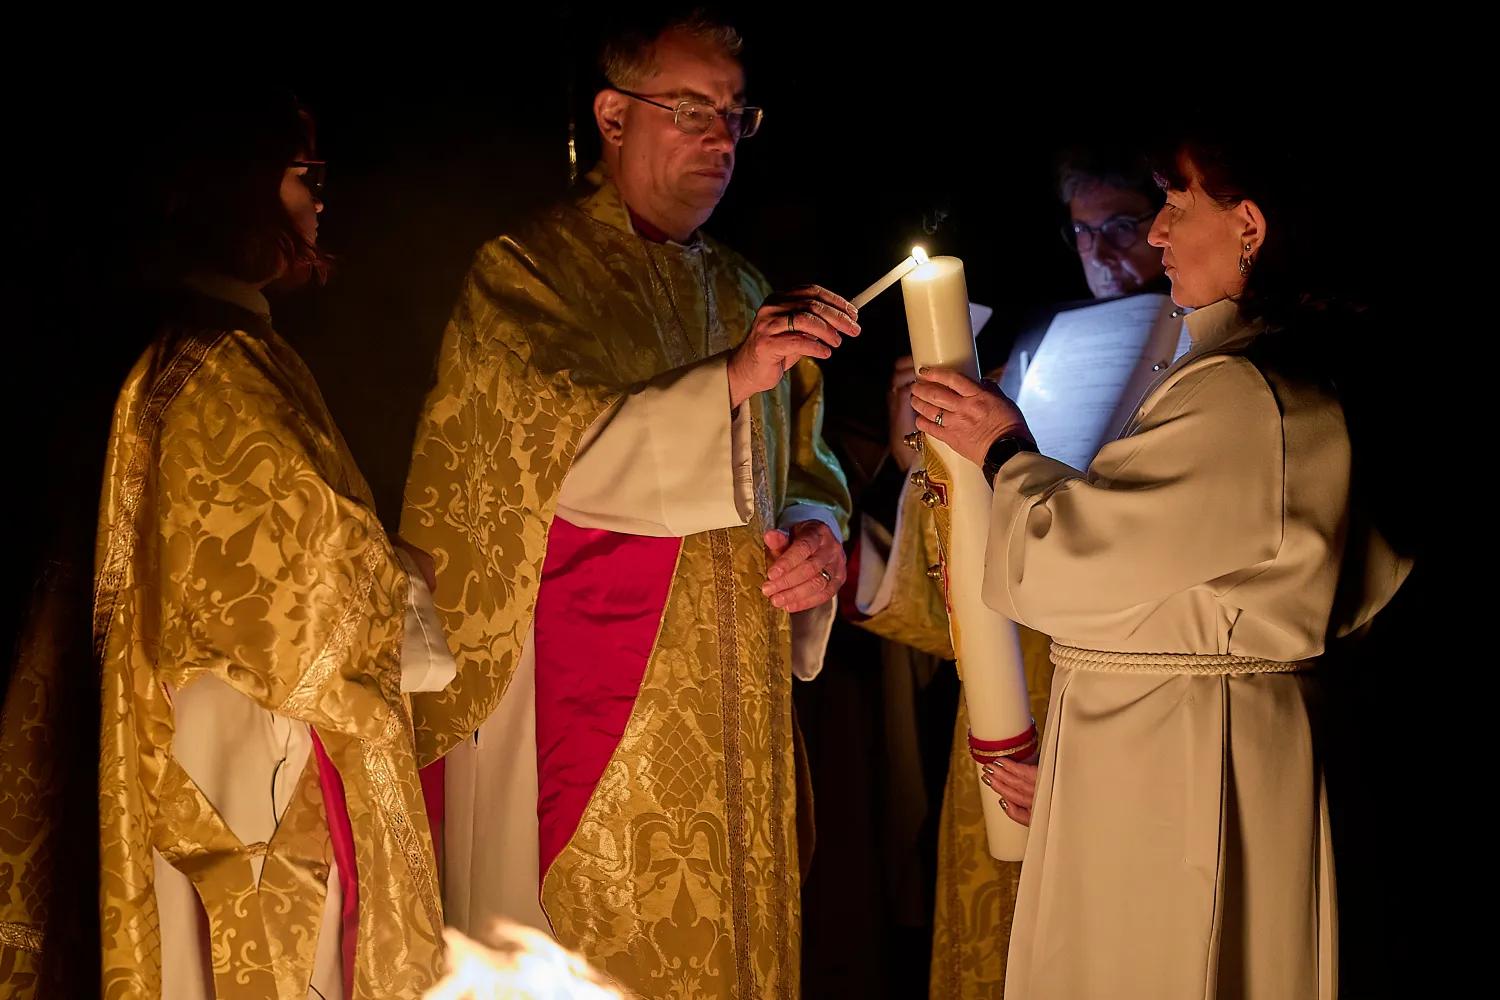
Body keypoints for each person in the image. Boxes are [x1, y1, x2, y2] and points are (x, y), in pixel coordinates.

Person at [399, 12, 853, 999]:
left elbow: (806, 465)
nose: (722, 138)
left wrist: (821, 538)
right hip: (596, 717)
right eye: (692, 110)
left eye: (737, 116)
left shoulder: (743, 287)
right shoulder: (526, 273)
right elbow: (546, 466)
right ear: (613, 114)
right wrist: (730, 380)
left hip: (734, 728)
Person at [907, 120, 1410, 998]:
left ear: (1249, 225)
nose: (1155, 234)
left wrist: (1001, 448)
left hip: (1188, 768)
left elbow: (1067, 566)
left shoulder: (1245, 391)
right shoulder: (1244, 375)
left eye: (1176, 205)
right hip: (1166, 751)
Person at [8, 87, 447, 998]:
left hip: (204, 738)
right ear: (235, 188)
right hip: (238, 752)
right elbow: (299, 581)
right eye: (302, 175)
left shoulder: (184, 343)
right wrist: (401, 574)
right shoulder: (223, 365)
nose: (321, 199)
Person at [855, 143, 1170, 999]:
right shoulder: (1035, 354)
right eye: (1082, 231)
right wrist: (926, 465)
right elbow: (950, 595)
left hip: (1141, 697)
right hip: (1018, 691)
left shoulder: (1219, 363)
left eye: (1124, 225)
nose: (1101, 250)